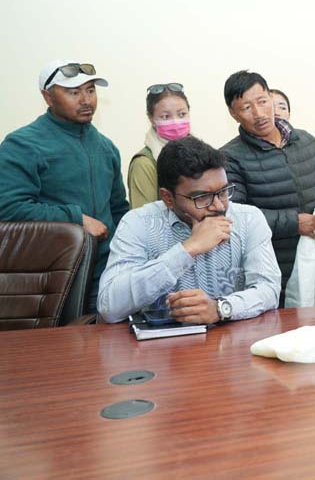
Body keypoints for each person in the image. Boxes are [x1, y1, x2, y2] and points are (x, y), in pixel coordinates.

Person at [98, 136, 281, 323]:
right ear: (168, 198)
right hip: (161, 346)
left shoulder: (248, 219)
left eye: (223, 192)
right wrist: (187, 250)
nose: (218, 206)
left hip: (229, 342)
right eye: (202, 197)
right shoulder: (138, 223)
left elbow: (269, 289)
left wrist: (221, 308)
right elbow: (109, 307)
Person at [0, 60, 129, 312]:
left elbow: (119, 210)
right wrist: (76, 219)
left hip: (104, 275)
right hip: (46, 282)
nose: (86, 100)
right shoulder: (22, 145)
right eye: (73, 92)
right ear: (48, 97)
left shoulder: (106, 147)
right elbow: (8, 208)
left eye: (90, 90)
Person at [220, 71, 315, 306]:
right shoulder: (230, 157)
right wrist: (294, 223)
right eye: (246, 107)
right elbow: (238, 215)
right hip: (271, 267)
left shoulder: (306, 141)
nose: (259, 113)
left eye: (263, 101)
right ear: (233, 114)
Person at [128, 82, 192, 208]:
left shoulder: (202, 154)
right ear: (151, 119)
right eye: (165, 116)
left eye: (182, 114)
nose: (175, 122)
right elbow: (143, 221)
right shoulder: (145, 164)